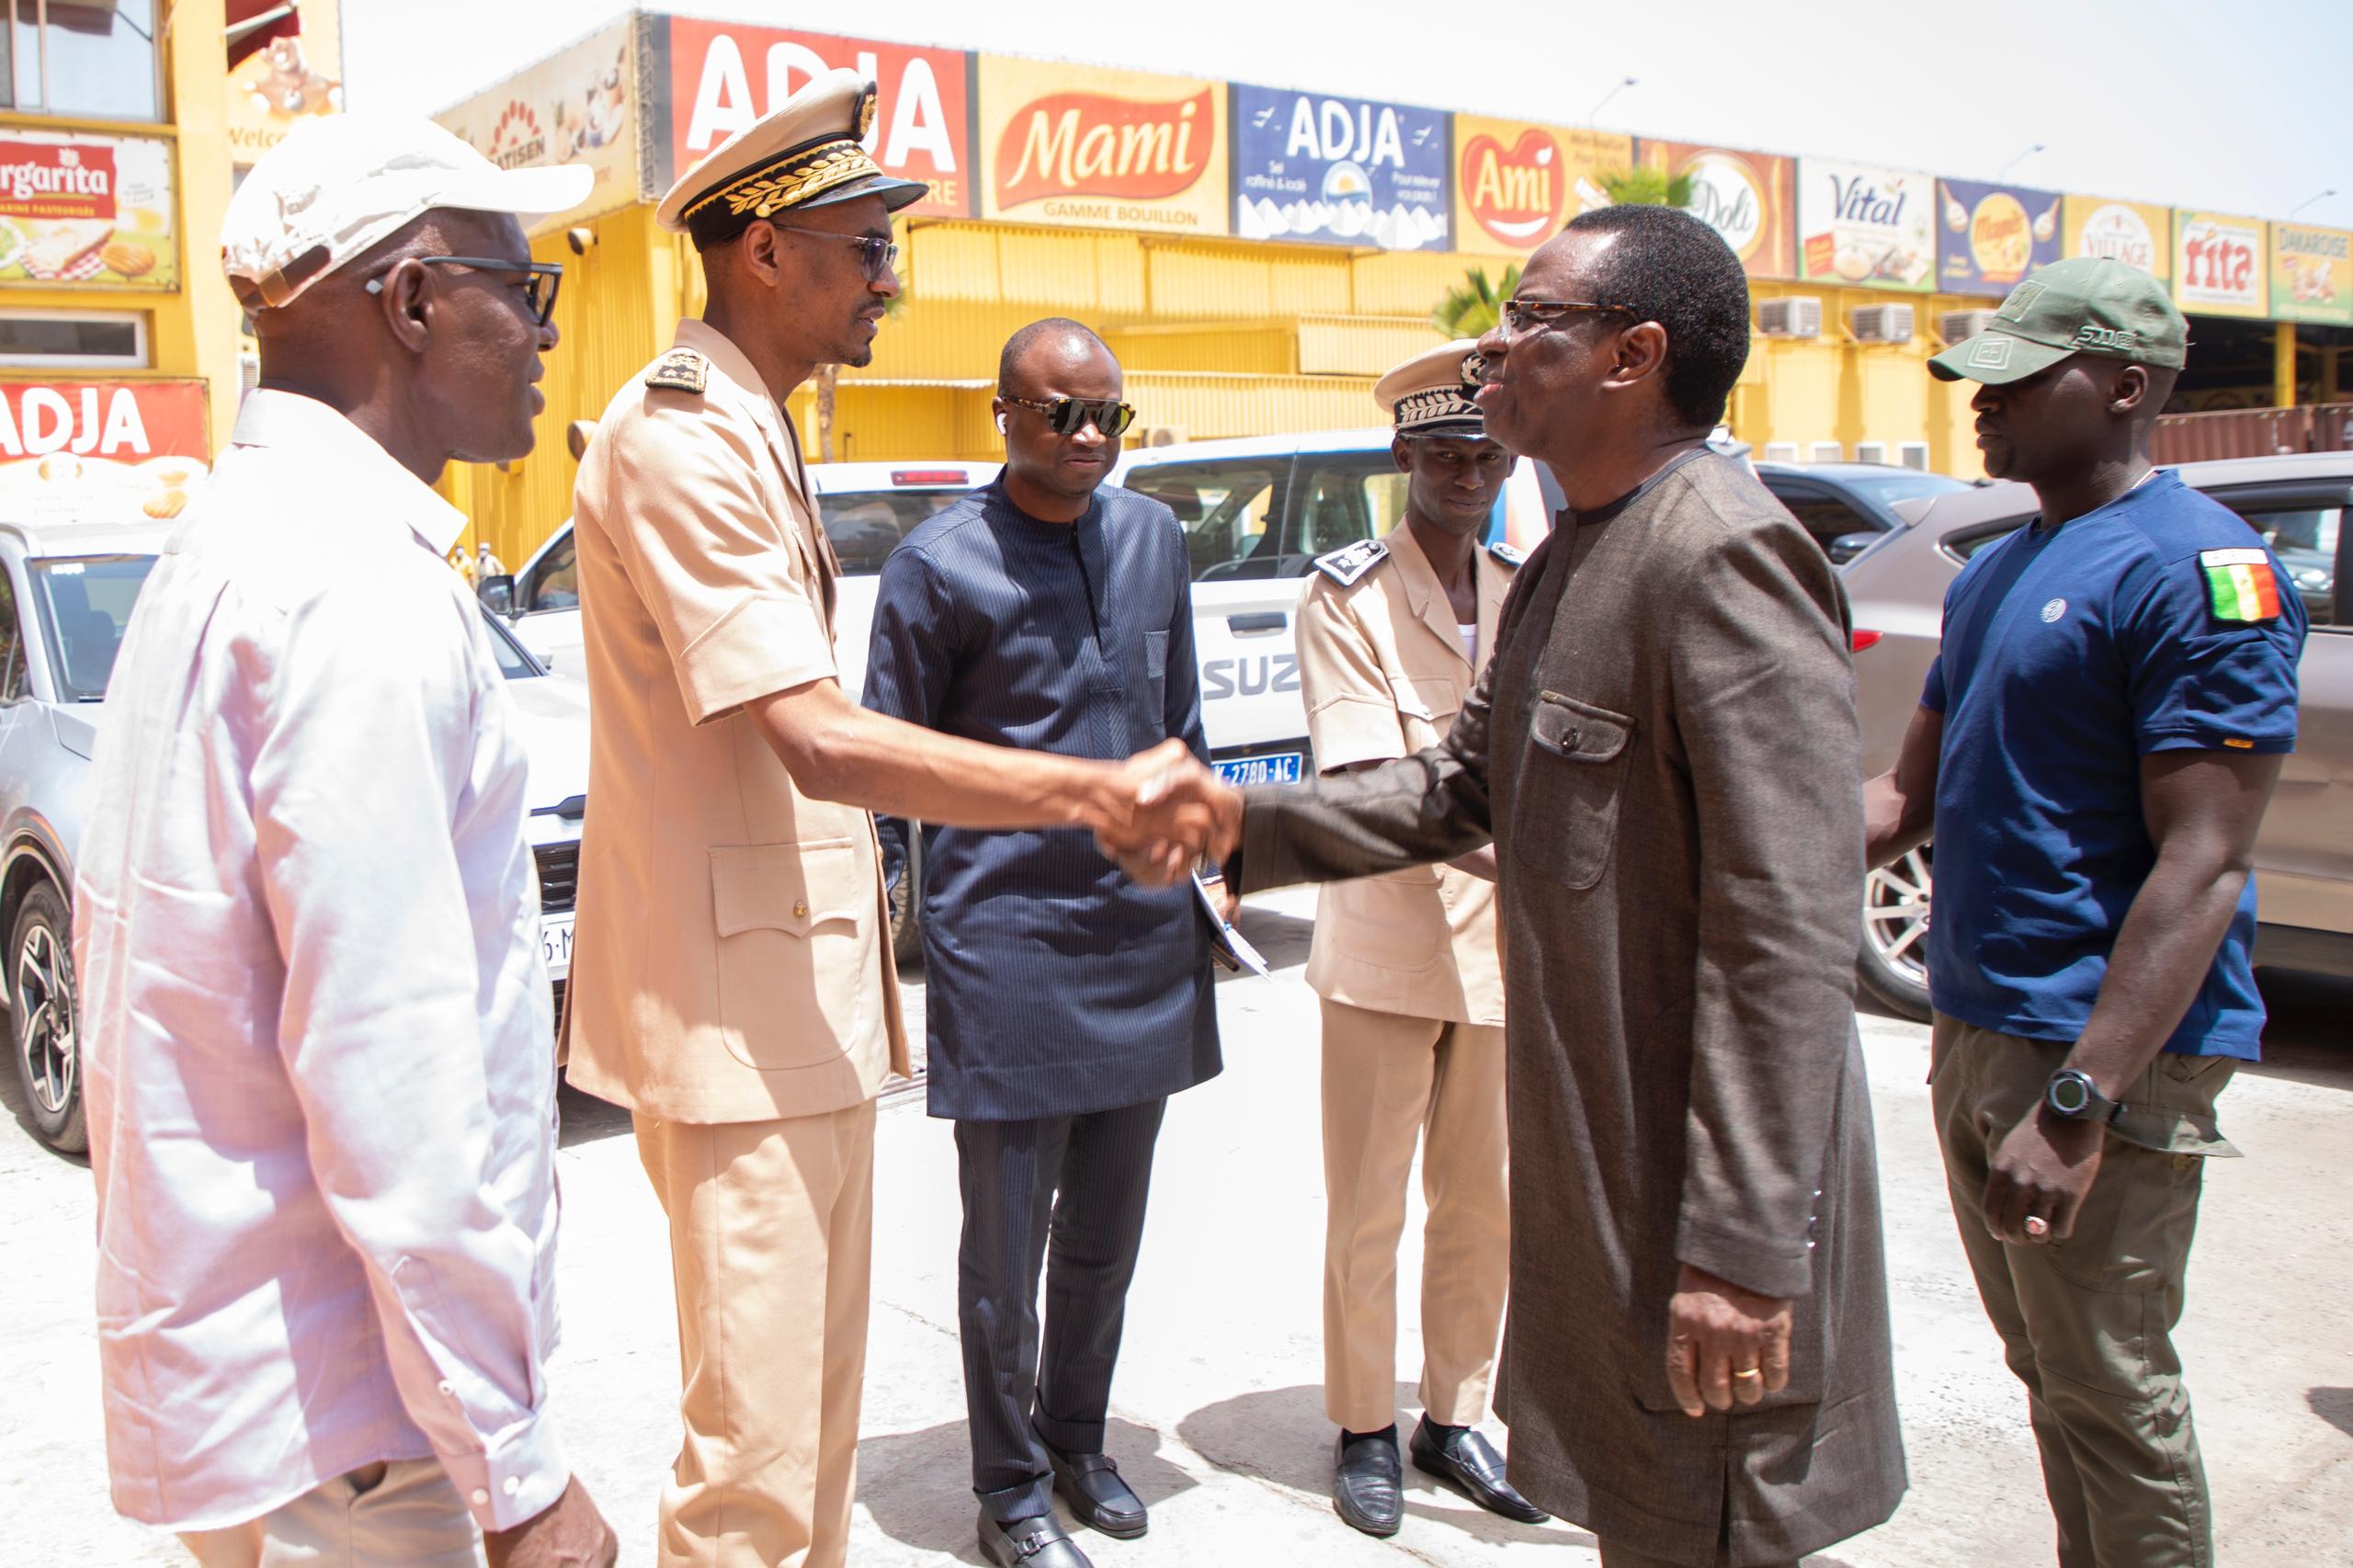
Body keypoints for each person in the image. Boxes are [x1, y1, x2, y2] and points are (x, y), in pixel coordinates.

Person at [563, 74, 1230, 1568]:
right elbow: (815, 738)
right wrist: (1096, 791)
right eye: (866, 247)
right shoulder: (681, 433)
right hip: (734, 1024)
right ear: (763, 251)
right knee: (752, 1468)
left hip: (793, 1010)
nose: (890, 279)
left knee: (807, 1436)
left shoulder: (750, 423)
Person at [1202, 205, 1905, 1568]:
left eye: (1534, 321)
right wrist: (1232, 826)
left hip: (1701, 1214)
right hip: (1614, 1193)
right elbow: (1463, 795)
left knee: (1711, 1526)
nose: (1496, 347)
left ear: (1635, 355)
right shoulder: (1583, 552)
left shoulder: (1720, 554)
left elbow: (1783, 931)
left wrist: (1748, 1253)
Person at [74, 116, 616, 1568]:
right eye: (526, 287)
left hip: (277, 1404)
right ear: (418, 301)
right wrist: (518, 1474)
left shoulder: (232, 537)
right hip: (371, 1433)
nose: (545, 331)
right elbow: (396, 1078)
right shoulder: (351, 591)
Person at [1866, 259, 2307, 1568]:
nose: (1980, 401)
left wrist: (2080, 1104)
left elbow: (2203, 863)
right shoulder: (1996, 573)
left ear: (2122, 385)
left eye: (2017, 375)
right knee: (2051, 1372)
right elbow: (1903, 798)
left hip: (2102, 1059)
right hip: (1978, 1029)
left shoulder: (2202, 569)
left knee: (2113, 1388)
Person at [861, 319, 1221, 1568]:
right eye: (1063, 413)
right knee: (1004, 1247)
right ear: (1002, 413)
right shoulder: (939, 564)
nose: (1088, 440)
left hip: (1139, 943)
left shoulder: (1155, 538)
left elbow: (1180, 728)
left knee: (1109, 1230)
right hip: (1006, 946)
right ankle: (1009, 1486)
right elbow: (886, 763)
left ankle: (1079, 1438)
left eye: (1109, 417)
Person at [1293, 340, 1543, 1537]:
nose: (1466, 473)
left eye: (1484, 452)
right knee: (1369, 1209)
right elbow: (1374, 783)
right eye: (1443, 452)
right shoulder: (1342, 596)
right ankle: (1361, 1427)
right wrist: (1530, 859)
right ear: (1401, 455)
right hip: (1387, 945)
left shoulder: (1526, 586)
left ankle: (1456, 1413)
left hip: (1499, 951)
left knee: (1482, 1205)